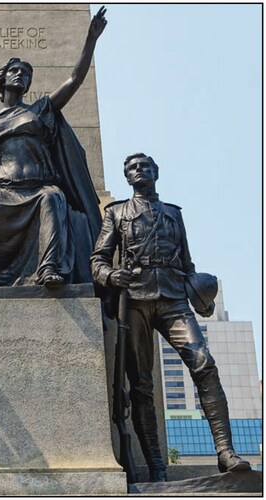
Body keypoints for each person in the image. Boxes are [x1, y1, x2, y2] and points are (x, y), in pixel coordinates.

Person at [90, 153, 251, 482]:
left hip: (174, 299)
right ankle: (157, 468)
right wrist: (109, 276)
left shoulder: (174, 214)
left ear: (156, 172)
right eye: (132, 168)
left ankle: (225, 451)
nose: (139, 171)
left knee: (205, 364)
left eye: (145, 166)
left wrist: (199, 291)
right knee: (142, 385)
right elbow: (97, 259)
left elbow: (188, 263)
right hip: (134, 301)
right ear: (127, 177)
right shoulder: (117, 213)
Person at [0, 8, 107, 298]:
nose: (21, 76)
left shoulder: (40, 110)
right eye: (16, 71)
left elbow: (75, 79)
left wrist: (91, 39)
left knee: (53, 198)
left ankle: (49, 269)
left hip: (38, 187)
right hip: (0, 190)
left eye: (26, 74)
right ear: (2, 81)